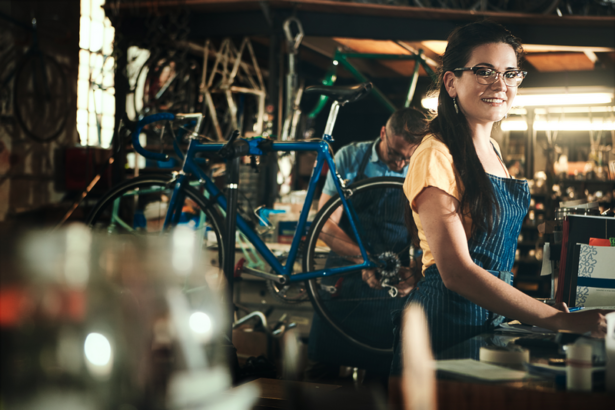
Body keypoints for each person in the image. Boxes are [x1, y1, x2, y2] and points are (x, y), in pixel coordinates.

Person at [390, 20, 610, 383]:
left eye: (510, 73)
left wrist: (535, 308)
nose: (500, 84)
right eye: (484, 71)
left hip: (489, 317)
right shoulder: (436, 152)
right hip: (444, 321)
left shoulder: (491, 149)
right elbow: (457, 271)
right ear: (451, 82)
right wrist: (555, 319)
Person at [305, 107, 429, 383]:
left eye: (408, 157)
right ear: (383, 133)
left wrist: (416, 271)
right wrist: (363, 259)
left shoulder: (421, 165)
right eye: (396, 154)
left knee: (381, 379)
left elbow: (427, 232)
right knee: (320, 373)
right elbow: (325, 225)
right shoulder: (350, 158)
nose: (401, 164)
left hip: (392, 280)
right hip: (343, 272)